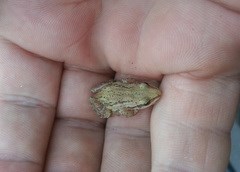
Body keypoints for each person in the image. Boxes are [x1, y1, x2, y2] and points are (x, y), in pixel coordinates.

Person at [0, 1, 239, 171]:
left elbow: (128, 89)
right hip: (106, 97)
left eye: (147, 94)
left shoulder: (140, 88)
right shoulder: (134, 102)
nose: (152, 95)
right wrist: (135, 106)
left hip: (108, 88)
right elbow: (125, 110)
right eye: (148, 100)